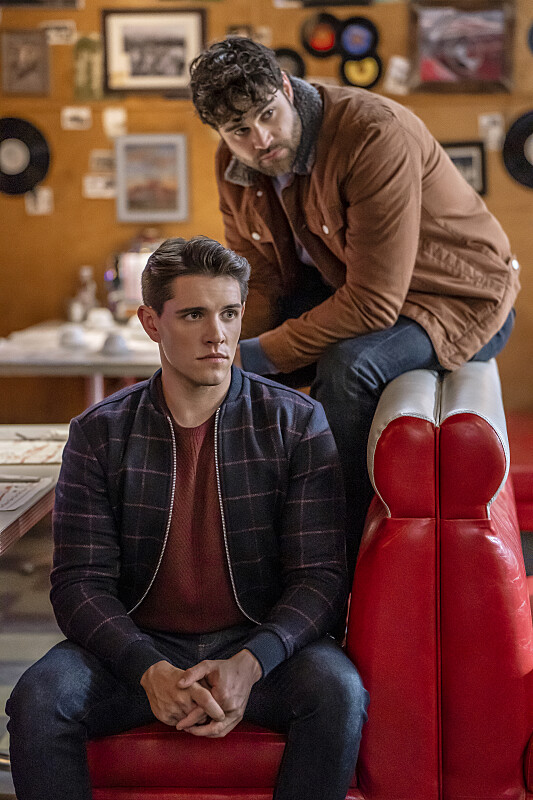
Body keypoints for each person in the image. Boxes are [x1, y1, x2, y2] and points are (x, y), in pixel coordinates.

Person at [6, 235, 368, 800]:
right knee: (39, 698)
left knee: (339, 692)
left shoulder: (296, 421)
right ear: (151, 323)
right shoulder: (99, 432)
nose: (217, 334)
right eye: (194, 314)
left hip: (256, 640)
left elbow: (320, 577)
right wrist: (149, 670)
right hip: (137, 646)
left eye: (229, 314)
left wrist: (251, 663)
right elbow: (79, 585)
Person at [189, 37, 521, 576]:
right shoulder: (234, 164)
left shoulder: (372, 133)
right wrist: (221, 348)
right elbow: (262, 282)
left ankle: (333, 561)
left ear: (287, 88)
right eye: (239, 130)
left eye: (268, 115)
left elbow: (372, 304)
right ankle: (233, 541)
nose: (260, 139)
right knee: (224, 369)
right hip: (351, 288)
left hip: (462, 298)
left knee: (348, 366)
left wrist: (256, 354)